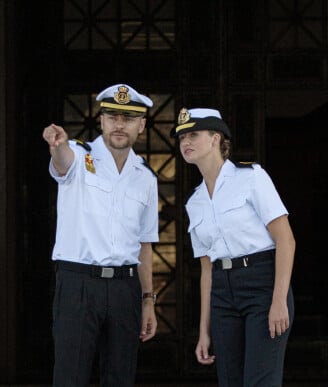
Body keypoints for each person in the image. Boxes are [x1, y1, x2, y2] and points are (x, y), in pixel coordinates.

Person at [42, 84, 159, 387]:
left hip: (125, 288)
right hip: (79, 284)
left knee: (120, 377)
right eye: (113, 117)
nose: (120, 125)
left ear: (141, 125)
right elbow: (62, 163)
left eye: (129, 118)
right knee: (71, 377)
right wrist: (57, 147)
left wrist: (148, 300)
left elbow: (145, 244)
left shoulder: (145, 176)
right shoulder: (81, 156)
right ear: (102, 120)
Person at [171, 107, 295, 386]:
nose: (185, 143)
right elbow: (206, 271)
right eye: (181, 139)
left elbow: (286, 239)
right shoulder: (195, 201)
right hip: (222, 295)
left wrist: (279, 300)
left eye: (193, 135)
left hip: (262, 285)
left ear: (216, 138)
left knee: (259, 381)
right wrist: (203, 331)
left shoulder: (252, 178)